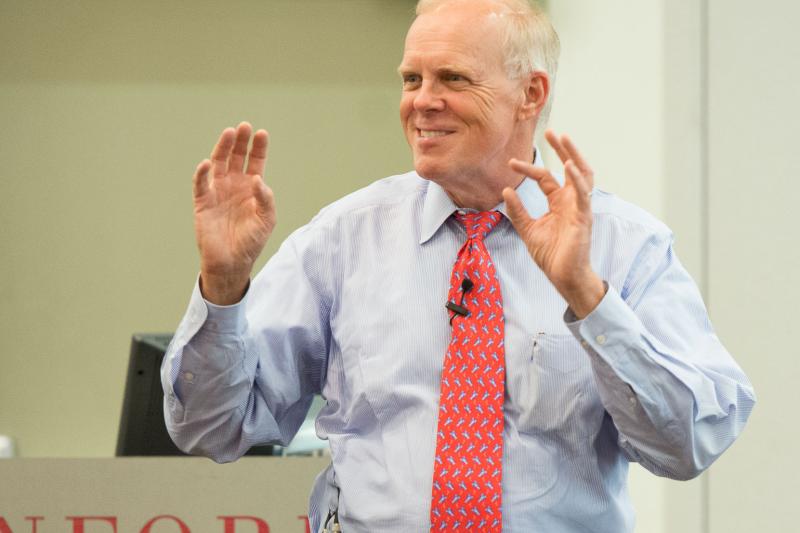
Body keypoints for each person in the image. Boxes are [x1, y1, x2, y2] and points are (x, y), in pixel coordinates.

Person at [161, 0, 755, 531]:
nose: (422, 101)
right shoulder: (342, 238)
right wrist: (223, 284)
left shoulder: (627, 246)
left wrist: (586, 295)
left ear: (531, 93)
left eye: (453, 78)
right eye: (411, 78)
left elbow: (688, 444)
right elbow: (215, 430)